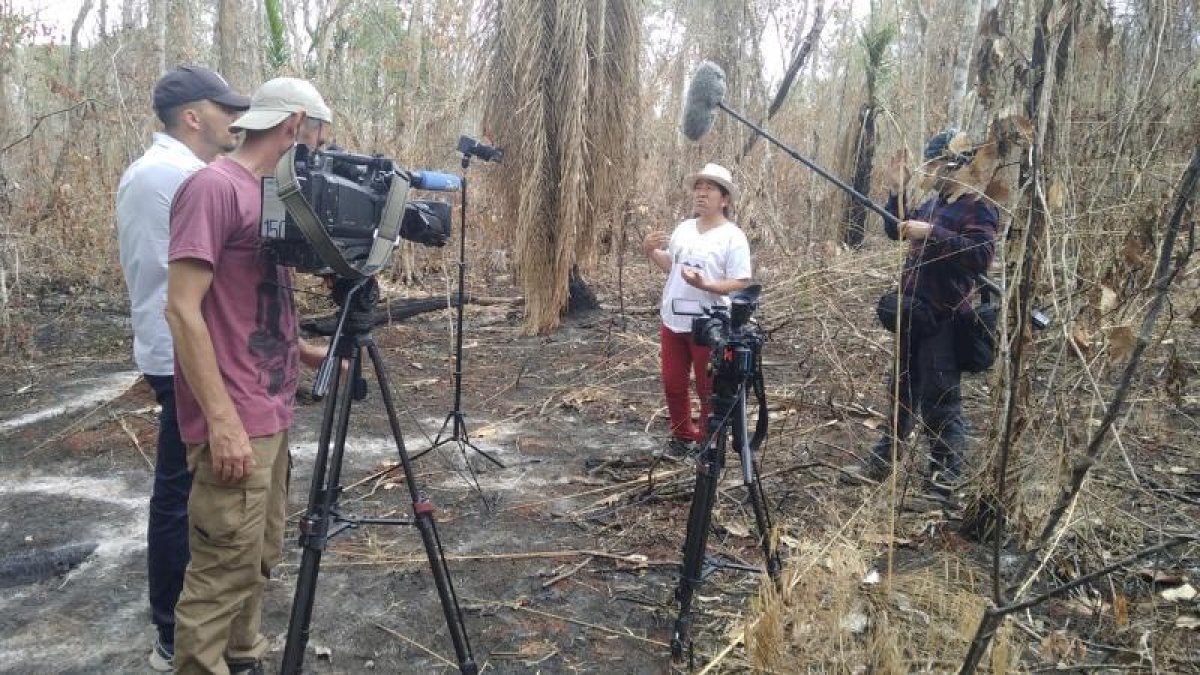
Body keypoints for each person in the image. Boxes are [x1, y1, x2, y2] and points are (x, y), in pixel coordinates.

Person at [164, 77, 333, 675]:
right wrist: (222, 422)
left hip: (272, 406)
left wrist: (302, 349)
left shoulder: (272, 193)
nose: (319, 145)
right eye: (317, 132)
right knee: (220, 570)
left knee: (257, 554)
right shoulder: (212, 188)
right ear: (294, 125)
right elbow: (183, 309)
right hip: (234, 413)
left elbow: (249, 301)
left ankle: (243, 656)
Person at [115, 64, 249, 672]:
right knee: (179, 493)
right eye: (225, 109)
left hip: (184, 349)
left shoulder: (176, 174)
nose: (235, 119)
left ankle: (186, 620)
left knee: (185, 487)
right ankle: (173, 628)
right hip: (183, 355)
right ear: (193, 117)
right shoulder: (169, 177)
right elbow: (178, 291)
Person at [862, 130, 998, 497]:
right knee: (901, 390)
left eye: (935, 163)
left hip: (946, 318)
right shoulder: (934, 202)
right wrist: (896, 192)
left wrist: (933, 232)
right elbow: (897, 229)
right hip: (913, 315)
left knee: (940, 398)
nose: (931, 170)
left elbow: (980, 255)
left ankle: (944, 473)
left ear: (956, 164)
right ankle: (884, 460)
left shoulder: (977, 205)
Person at [642, 163, 752, 459]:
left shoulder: (733, 236)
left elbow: (742, 280)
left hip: (709, 325)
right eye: (698, 188)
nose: (701, 194)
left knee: (708, 387)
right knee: (673, 382)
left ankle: (708, 440)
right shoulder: (683, 229)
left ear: (724, 199)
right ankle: (681, 436)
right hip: (673, 319)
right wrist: (651, 251)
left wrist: (709, 284)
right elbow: (672, 266)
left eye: (710, 189)